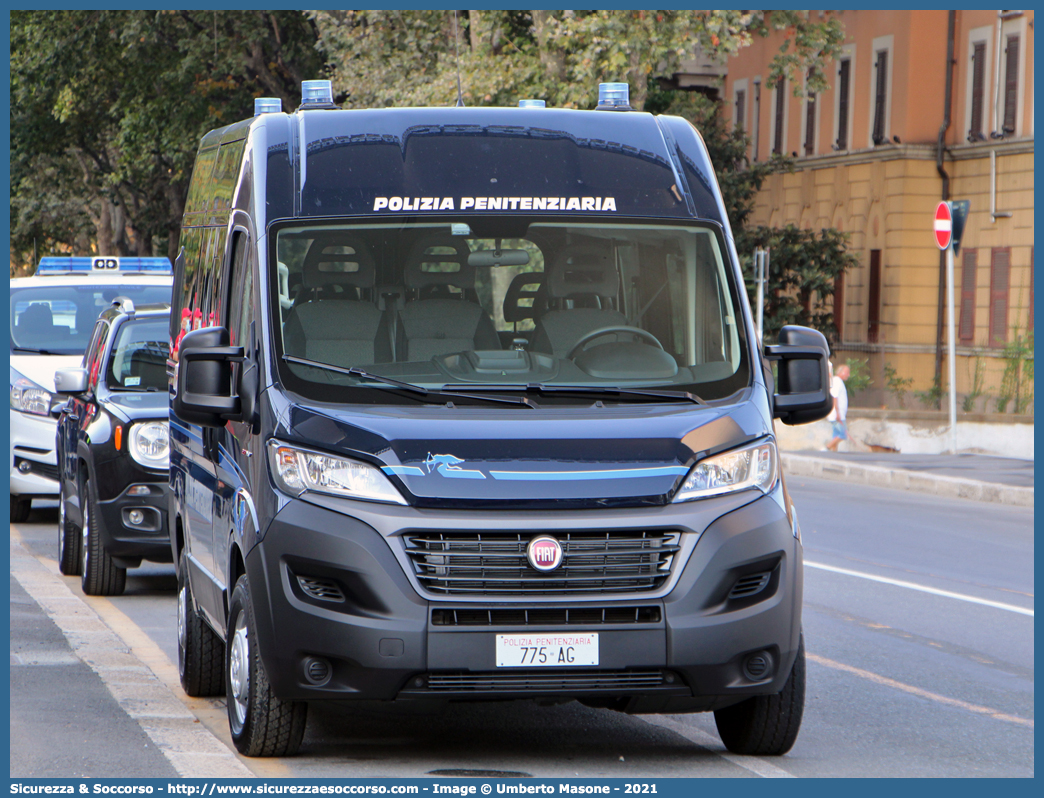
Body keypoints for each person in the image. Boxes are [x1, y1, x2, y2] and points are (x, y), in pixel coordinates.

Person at [826, 362, 850, 451]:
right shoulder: (837, 381)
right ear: (841, 372)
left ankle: (834, 453)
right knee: (843, 434)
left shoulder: (837, 381)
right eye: (847, 372)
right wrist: (838, 413)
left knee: (836, 434)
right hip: (836, 414)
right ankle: (827, 447)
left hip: (836, 414)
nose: (848, 375)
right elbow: (834, 397)